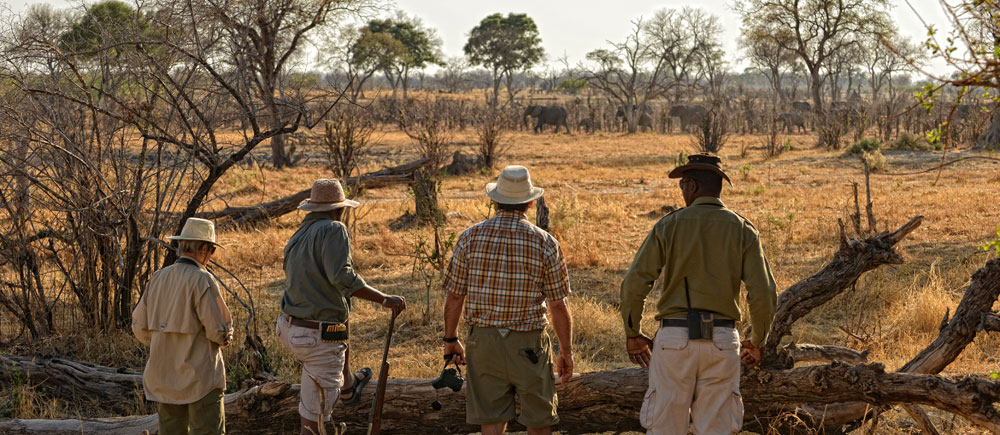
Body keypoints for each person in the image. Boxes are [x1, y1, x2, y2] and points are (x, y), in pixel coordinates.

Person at [620, 154, 778, 434]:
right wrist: (757, 341)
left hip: (673, 339)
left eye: (682, 185)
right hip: (723, 340)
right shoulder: (743, 229)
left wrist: (633, 333)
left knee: (665, 427)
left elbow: (635, 282)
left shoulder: (669, 225)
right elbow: (763, 292)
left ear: (692, 187)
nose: (681, 192)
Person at [442, 165, 574, 435]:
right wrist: (566, 350)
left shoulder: (469, 237)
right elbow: (558, 305)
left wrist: (451, 338)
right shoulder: (546, 242)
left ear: (495, 200)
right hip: (529, 343)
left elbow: (455, 296)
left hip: (484, 341)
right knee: (539, 420)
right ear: (531, 202)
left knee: (490, 420)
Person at [278, 178, 406, 435]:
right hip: (316, 337)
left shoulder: (299, 233)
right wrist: (383, 298)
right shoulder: (335, 228)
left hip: (289, 328)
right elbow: (342, 277)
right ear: (339, 209)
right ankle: (343, 385)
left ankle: (347, 385)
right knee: (314, 424)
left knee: (340, 316)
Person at [132, 217, 233, 435]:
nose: (211, 256)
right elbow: (219, 332)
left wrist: (164, 340)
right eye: (212, 250)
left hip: (164, 377)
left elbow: (139, 327)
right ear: (204, 248)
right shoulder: (203, 280)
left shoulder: (158, 278)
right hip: (201, 379)